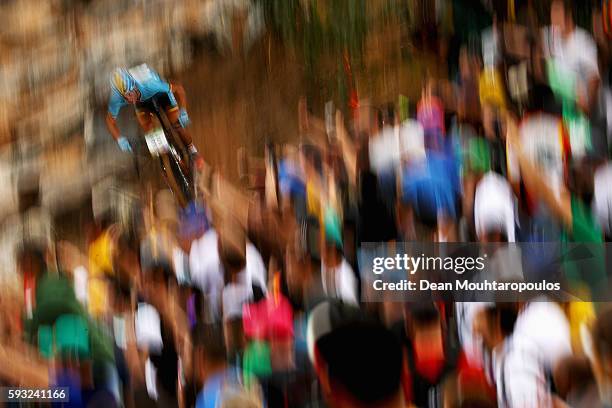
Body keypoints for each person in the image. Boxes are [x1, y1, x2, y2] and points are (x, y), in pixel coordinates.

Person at [105, 64, 204, 170]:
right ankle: (168, 161)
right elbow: (110, 121)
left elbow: (179, 89)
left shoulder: (150, 83)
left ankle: (193, 151)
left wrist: (183, 111)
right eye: (125, 97)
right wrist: (120, 140)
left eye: (130, 94)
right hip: (142, 102)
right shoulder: (116, 97)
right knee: (150, 132)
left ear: (134, 86)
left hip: (160, 94)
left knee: (176, 124)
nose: (129, 99)